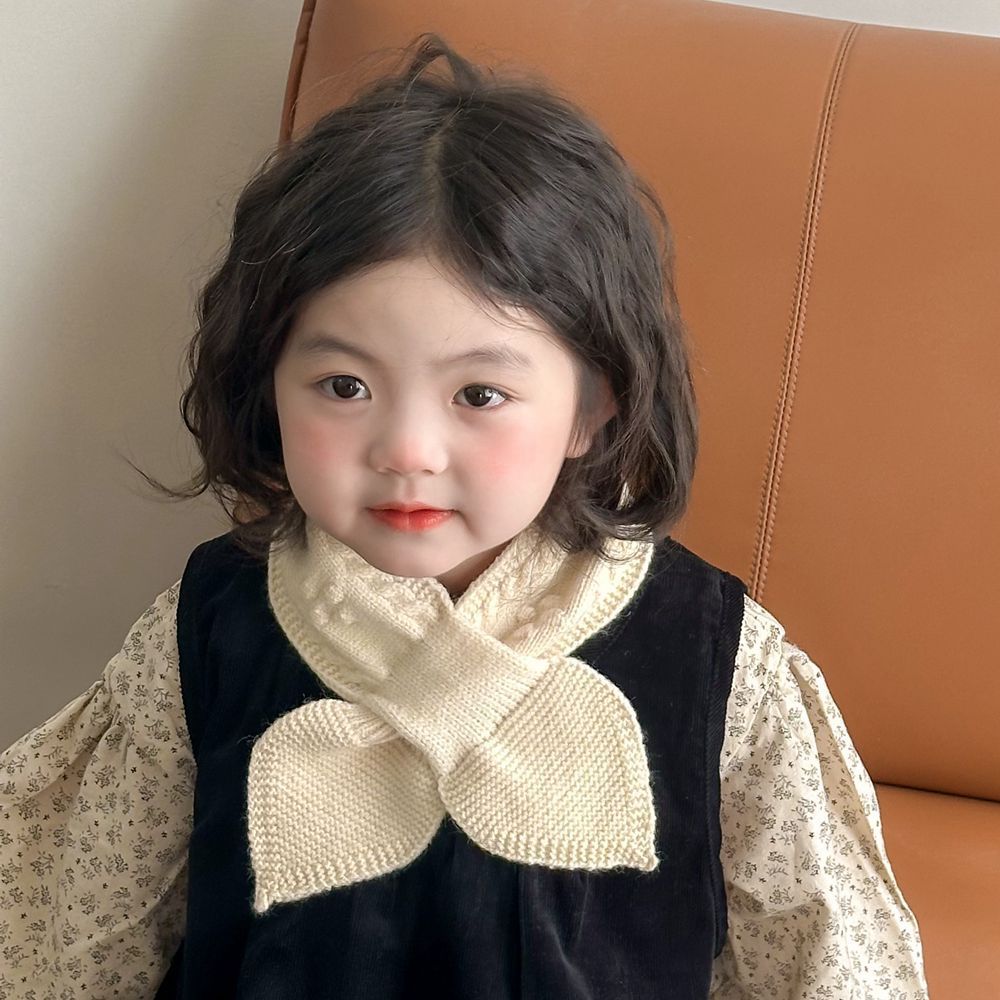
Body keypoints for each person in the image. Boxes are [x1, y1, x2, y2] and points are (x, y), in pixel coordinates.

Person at [0, 32, 930, 1000]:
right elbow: (75, 940)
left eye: (479, 394)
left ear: (594, 407)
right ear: (265, 385)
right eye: (344, 385)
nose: (407, 449)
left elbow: (824, 965)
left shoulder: (723, 665)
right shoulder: (201, 633)